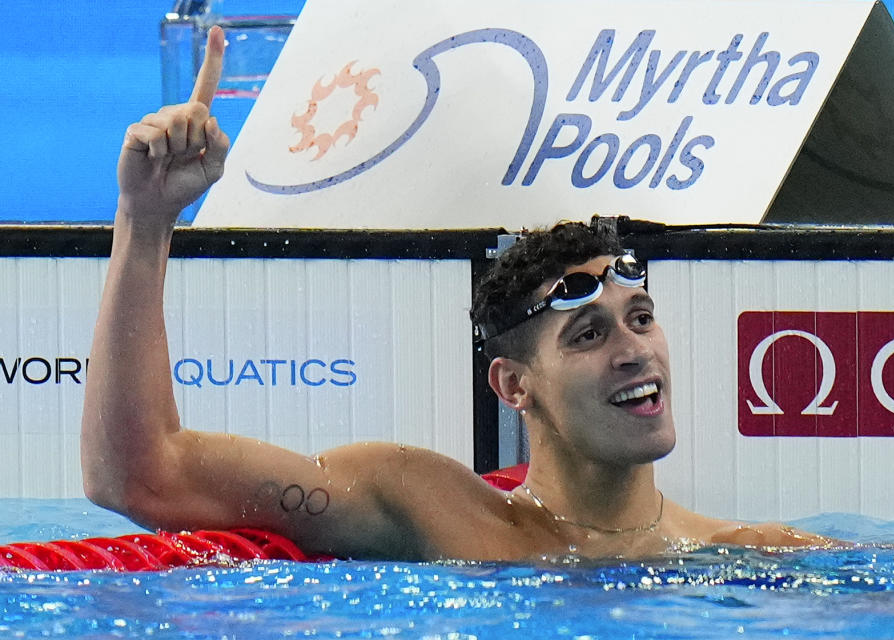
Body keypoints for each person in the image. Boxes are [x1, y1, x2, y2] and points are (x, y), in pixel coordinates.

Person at [81, 27, 832, 561]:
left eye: (639, 319)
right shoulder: (429, 507)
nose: (636, 350)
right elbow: (139, 473)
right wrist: (143, 223)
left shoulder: (748, 557)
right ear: (513, 384)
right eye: (589, 334)